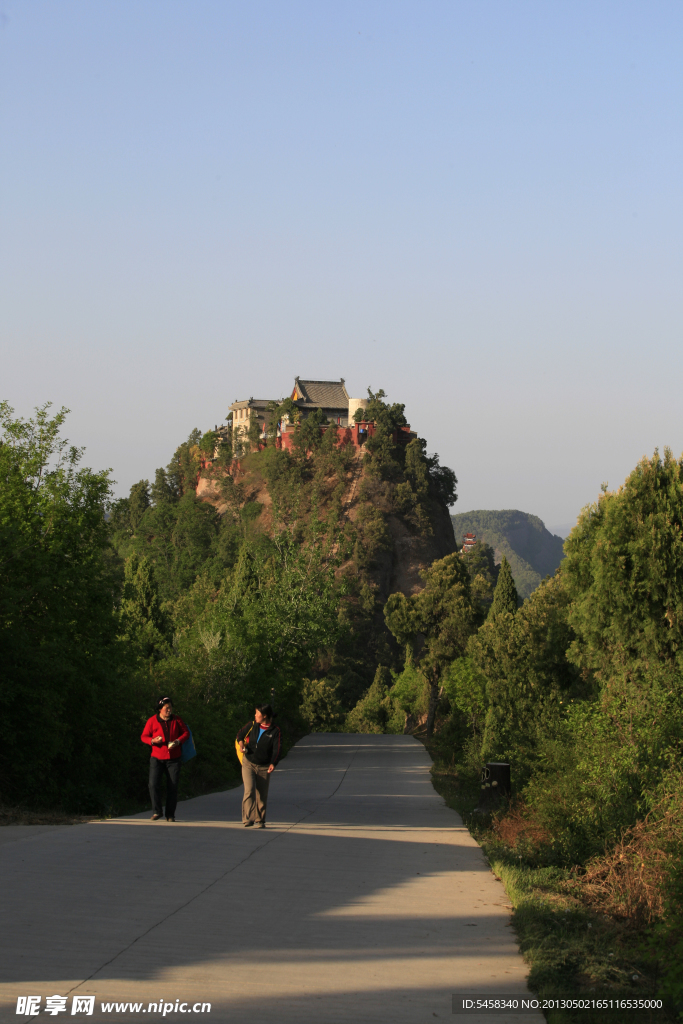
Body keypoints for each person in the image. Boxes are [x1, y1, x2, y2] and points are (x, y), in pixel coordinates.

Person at [141, 697, 189, 821]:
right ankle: (157, 811)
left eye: (170, 707)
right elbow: (144, 736)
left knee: (172, 786)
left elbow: (186, 733)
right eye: (166, 708)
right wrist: (153, 741)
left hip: (174, 758)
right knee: (153, 784)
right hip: (157, 757)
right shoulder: (152, 721)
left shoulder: (177, 720)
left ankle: (170, 814)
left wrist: (178, 741)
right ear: (160, 709)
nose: (169, 710)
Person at [236, 705, 282, 828]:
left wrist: (273, 763)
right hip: (248, 763)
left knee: (261, 794)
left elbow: (277, 749)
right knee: (249, 790)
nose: (255, 716)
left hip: (264, 766)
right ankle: (248, 819)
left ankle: (260, 820)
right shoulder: (252, 725)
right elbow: (240, 735)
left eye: (257, 713)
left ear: (265, 715)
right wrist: (241, 744)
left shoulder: (275, 730)